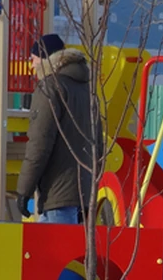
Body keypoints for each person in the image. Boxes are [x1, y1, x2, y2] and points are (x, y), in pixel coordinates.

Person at [16, 34, 101, 224]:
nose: (31, 65)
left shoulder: (50, 87)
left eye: (33, 59)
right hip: (83, 197)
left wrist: (24, 190)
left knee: (51, 251)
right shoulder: (88, 90)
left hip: (57, 195)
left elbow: (39, 144)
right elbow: (99, 146)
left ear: (46, 58)